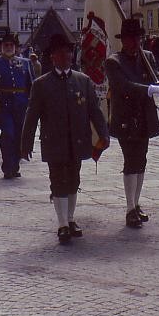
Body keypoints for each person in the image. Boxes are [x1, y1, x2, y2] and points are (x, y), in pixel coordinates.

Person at [22, 34, 110, 244]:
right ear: (53, 57)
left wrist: (104, 134)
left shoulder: (83, 81)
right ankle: (62, 224)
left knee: (73, 180)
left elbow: (94, 111)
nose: (66, 56)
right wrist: (25, 143)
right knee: (58, 181)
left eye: (68, 52)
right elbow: (31, 115)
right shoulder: (42, 84)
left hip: (78, 140)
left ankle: (70, 219)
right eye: (61, 53)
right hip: (54, 140)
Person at [105, 18, 159, 228]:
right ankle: (129, 207)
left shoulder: (147, 57)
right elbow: (123, 86)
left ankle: (137, 203)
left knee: (141, 161)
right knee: (131, 161)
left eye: (138, 39)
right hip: (126, 118)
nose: (136, 43)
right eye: (131, 39)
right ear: (123, 40)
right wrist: (149, 89)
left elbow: (156, 74)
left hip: (144, 116)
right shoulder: (114, 61)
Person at [0, 33, 33, 179]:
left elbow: (32, 85)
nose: (9, 47)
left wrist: (33, 102)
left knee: (19, 136)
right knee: (8, 134)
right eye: (6, 45)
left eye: (11, 45)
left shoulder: (25, 63)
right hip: (4, 105)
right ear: (1, 47)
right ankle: (7, 166)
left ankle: (15, 166)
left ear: (16, 47)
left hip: (21, 105)